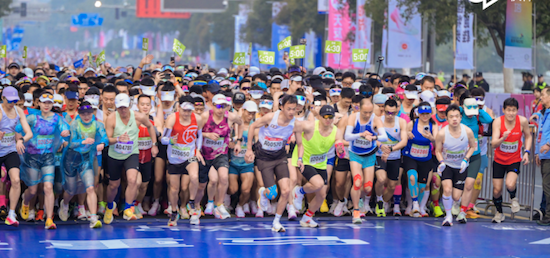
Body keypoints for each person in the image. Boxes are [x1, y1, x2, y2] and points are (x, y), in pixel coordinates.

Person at [245, 94, 302, 232]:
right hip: (264, 157)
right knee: (272, 194)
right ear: (281, 107)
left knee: (286, 190)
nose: (291, 112)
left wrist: (300, 159)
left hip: (280, 156)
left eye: (294, 109)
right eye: (288, 109)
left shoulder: (296, 123)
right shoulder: (271, 117)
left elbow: (300, 144)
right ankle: (263, 193)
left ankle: (276, 221)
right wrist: (248, 149)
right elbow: (252, 126)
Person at [17, 92, 70, 229]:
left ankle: (49, 219)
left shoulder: (57, 118)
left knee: (48, 187)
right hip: (32, 157)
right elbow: (18, 128)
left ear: (52, 104)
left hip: (48, 157)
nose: (46, 105)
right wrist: (19, 141)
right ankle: (26, 200)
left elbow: (66, 129)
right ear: (38, 103)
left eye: (49, 103)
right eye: (44, 102)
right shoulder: (32, 118)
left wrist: (65, 133)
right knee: (33, 190)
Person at [104, 93, 159, 224]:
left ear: (129, 105)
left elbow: (151, 126)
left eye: (125, 107)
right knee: (113, 185)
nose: (123, 110)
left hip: (131, 153)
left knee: (133, 179)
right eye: (120, 107)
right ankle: (110, 206)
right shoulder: (112, 118)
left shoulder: (138, 117)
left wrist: (154, 144)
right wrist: (118, 139)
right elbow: (107, 140)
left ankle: (129, 207)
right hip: (115, 155)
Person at [58, 101, 108, 228]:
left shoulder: (97, 124)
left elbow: (105, 137)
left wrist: (102, 143)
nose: (86, 116)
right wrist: (83, 141)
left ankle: (93, 217)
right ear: (79, 114)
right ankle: (65, 204)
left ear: (93, 113)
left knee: (90, 187)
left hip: (86, 159)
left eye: (89, 113)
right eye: (83, 113)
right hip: (72, 159)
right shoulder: (75, 124)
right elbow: (71, 143)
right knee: (71, 189)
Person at [292, 105, 343, 227]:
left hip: (320, 162)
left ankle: (307, 217)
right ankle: (299, 191)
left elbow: (339, 143)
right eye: (325, 116)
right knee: (318, 184)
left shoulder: (336, 131)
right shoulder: (310, 126)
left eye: (330, 117)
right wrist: (294, 136)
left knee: (322, 194)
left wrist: (340, 149)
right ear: (319, 117)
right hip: (304, 159)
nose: (328, 119)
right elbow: (296, 125)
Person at [162, 96, 204, 226]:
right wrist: (170, 141)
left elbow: (199, 136)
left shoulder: (197, 119)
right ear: (179, 107)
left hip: (189, 154)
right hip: (174, 156)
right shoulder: (172, 119)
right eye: (184, 110)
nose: (186, 114)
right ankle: (174, 211)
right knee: (174, 188)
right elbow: (163, 139)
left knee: (194, 176)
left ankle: (192, 202)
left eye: (189, 111)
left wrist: (198, 150)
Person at [344, 98, 388, 223]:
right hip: (355, 154)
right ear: (359, 109)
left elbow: (384, 137)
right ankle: (356, 210)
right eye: (365, 112)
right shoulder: (353, 118)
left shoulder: (375, 119)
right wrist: (361, 134)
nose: (367, 115)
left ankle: (360, 198)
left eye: (370, 112)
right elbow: (347, 136)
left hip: (369, 155)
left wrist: (373, 137)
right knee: (357, 182)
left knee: (368, 187)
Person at [199, 94, 242, 219]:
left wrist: (238, 141)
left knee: (223, 177)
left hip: (221, 153)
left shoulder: (230, 116)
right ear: (212, 105)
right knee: (207, 182)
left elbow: (241, 122)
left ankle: (219, 204)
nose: (220, 109)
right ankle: (201, 205)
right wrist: (207, 135)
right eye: (218, 106)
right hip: (205, 153)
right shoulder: (205, 116)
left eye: (223, 106)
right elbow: (196, 132)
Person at [491, 97, 532, 223]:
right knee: (497, 190)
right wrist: (503, 138)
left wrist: (527, 152)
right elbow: (493, 144)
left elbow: (528, 136)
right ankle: (499, 213)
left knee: (510, 184)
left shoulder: (523, 121)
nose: (511, 113)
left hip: (514, 159)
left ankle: (513, 198)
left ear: (517, 111)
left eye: (513, 110)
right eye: (508, 110)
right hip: (499, 160)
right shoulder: (498, 122)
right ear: (503, 110)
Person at [435, 104, 476, 226]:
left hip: (461, 166)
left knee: (456, 197)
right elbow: (437, 150)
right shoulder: (442, 133)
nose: (454, 119)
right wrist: (441, 162)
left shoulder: (467, 131)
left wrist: (466, 159)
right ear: (447, 119)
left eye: (457, 116)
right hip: (447, 165)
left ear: (460, 117)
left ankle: (458, 209)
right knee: (447, 189)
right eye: (451, 117)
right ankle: (448, 217)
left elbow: (473, 147)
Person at [1, 86, 33, 226]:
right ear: (2, 98)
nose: (12, 103)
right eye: (9, 101)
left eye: (15, 101)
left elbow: (29, 133)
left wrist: (21, 140)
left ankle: (11, 213)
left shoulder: (18, 111)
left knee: (15, 180)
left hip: (10, 150)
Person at [402, 102, 439, 217]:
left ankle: (419, 207)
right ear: (418, 113)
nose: (425, 116)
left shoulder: (434, 125)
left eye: (427, 114)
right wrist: (408, 134)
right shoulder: (412, 123)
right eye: (422, 114)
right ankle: (415, 204)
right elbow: (403, 135)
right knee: (412, 177)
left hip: (425, 158)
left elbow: (437, 142)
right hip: (411, 156)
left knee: (422, 186)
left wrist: (431, 137)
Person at [375, 99, 408, 216]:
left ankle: (383, 202)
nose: (390, 116)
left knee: (392, 186)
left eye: (393, 113)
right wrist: (381, 145)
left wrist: (390, 150)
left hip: (394, 156)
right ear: (383, 109)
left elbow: (404, 141)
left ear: (397, 111)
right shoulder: (378, 120)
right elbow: (373, 137)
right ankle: (378, 199)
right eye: (387, 112)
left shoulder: (401, 122)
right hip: (379, 155)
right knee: (381, 179)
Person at [229, 101, 257, 218]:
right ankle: (229, 203)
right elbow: (227, 142)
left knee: (246, 190)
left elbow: (258, 143)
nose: (250, 116)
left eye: (253, 114)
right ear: (243, 111)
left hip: (247, 164)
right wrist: (234, 142)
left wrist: (254, 153)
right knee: (233, 189)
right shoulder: (234, 124)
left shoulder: (255, 126)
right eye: (248, 113)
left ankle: (240, 205)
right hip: (233, 162)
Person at [536, 87, 550, 225]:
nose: (541, 97)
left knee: (547, 186)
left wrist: (549, 145)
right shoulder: (543, 113)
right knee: (546, 185)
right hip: (544, 155)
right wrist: (537, 152)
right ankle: (545, 211)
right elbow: (540, 133)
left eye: (544, 95)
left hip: (549, 153)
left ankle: (548, 215)